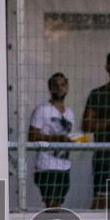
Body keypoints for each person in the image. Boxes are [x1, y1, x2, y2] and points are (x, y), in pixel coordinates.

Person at [83, 50, 110, 209]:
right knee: (100, 200)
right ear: (107, 67)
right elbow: (86, 125)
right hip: (104, 158)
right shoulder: (98, 94)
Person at [28, 73, 75, 208]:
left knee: (57, 205)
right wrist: (57, 139)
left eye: (63, 85)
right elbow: (32, 136)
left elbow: (69, 137)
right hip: (47, 167)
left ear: (67, 87)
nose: (60, 88)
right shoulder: (42, 110)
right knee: (51, 205)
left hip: (64, 166)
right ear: (50, 88)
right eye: (56, 85)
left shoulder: (69, 113)